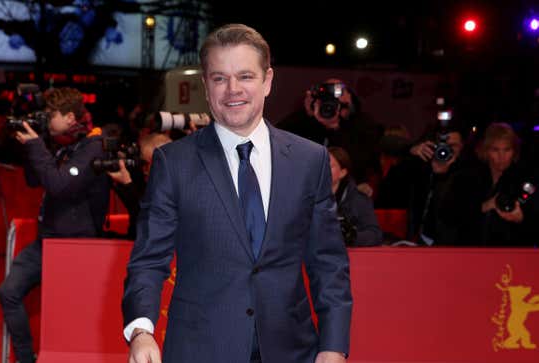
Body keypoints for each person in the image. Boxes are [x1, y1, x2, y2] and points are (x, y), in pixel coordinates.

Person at [122, 24, 352, 363]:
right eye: (219, 78)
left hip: (292, 350)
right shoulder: (174, 163)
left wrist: (333, 347)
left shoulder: (310, 160)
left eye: (245, 76)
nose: (233, 90)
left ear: (267, 80)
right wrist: (141, 331)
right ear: (205, 84)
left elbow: (328, 262)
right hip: (200, 349)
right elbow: (149, 259)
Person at [0, 87, 110, 363]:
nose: (46, 120)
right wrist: (29, 148)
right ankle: (26, 358)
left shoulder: (93, 147)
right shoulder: (67, 145)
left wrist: (37, 147)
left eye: (51, 115)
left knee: (66, 313)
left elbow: (60, 185)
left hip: (75, 245)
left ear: (70, 117)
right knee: (8, 292)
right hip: (47, 241)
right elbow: (36, 181)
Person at [277, 78, 382, 196]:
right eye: (327, 93)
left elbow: (361, 161)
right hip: (307, 192)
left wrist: (337, 125)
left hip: (347, 196)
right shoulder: (305, 123)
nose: (331, 104)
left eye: (339, 92)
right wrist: (306, 114)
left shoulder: (362, 126)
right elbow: (278, 138)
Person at [440, 123, 536, 246]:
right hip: (470, 253)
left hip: (512, 257)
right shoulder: (467, 178)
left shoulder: (525, 180)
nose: (502, 156)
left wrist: (521, 218)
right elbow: (447, 216)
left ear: (514, 151)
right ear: (486, 150)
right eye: (495, 150)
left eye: (507, 150)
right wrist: (484, 206)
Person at [328, 147, 382, 246]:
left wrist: (350, 237)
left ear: (342, 173)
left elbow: (375, 235)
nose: (323, 170)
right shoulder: (306, 196)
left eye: (329, 166)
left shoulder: (358, 199)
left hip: (351, 257)